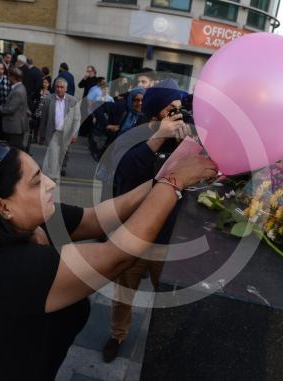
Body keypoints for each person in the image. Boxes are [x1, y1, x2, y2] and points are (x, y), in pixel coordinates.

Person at [0, 138, 217, 380]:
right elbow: (115, 255)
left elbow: (98, 218)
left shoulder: (31, 221)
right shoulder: (12, 268)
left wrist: (159, 180)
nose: (51, 184)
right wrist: (174, 182)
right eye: (36, 182)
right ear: (3, 206)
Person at [102, 78, 192, 362]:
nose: (179, 115)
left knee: (168, 296)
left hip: (168, 235)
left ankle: (166, 349)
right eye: (173, 109)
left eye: (181, 109)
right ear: (156, 114)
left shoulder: (184, 139)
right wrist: (157, 137)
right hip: (135, 234)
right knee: (124, 294)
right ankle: (117, 335)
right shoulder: (134, 136)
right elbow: (126, 170)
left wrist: (189, 142)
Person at [39, 78, 80, 180]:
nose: (59, 89)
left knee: (64, 154)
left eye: (62, 87)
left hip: (66, 133)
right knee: (53, 155)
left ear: (66, 89)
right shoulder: (48, 99)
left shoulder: (73, 100)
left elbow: (77, 119)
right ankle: (53, 178)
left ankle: (60, 168)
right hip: (53, 133)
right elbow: (43, 118)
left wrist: (74, 134)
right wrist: (42, 134)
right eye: (57, 87)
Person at [0, 68, 28, 148]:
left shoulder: (18, 90)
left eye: (9, 76)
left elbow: (10, 108)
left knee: (14, 151)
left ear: (13, 77)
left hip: (14, 127)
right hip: (14, 126)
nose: (7, 78)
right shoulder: (19, 87)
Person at [33, 77, 51, 144]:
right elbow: (35, 100)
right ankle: (35, 138)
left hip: (44, 112)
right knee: (36, 126)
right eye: (44, 82)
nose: (45, 84)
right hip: (37, 111)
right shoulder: (39, 91)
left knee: (43, 126)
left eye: (46, 83)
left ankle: (41, 139)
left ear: (49, 84)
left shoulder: (49, 94)